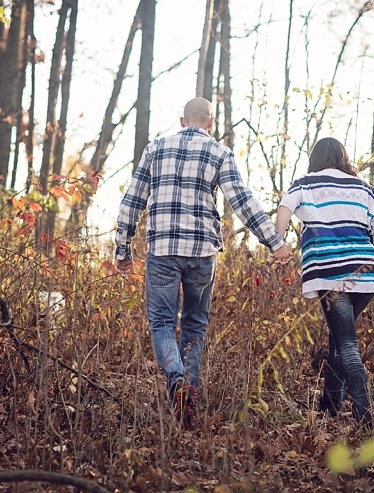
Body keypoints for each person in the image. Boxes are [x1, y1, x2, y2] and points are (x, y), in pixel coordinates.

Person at [115, 97, 292, 429]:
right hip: (202, 254)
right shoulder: (219, 153)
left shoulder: (154, 149)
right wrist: (275, 242)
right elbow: (242, 201)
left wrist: (123, 249)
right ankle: (188, 394)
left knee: (163, 324)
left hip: (163, 250)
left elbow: (132, 202)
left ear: (182, 121)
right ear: (210, 123)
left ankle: (177, 380)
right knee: (194, 326)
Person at [275, 137, 374, 426]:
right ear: (343, 157)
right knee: (339, 335)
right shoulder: (362, 187)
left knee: (346, 344)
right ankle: (330, 404)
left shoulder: (305, 183)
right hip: (366, 277)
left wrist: (277, 244)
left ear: (315, 158)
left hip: (329, 274)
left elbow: (284, 208)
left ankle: (365, 415)